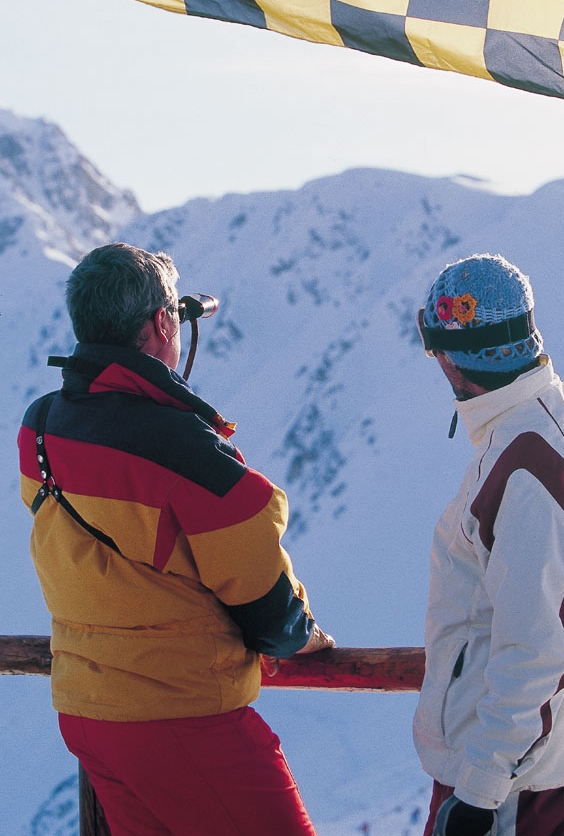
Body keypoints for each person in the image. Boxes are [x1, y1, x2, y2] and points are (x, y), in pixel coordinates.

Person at [18, 242, 334, 836]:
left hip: (87, 712)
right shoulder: (183, 449)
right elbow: (264, 600)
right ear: (163, 322)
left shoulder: (40, 427)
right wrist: (301, 632)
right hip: (178, 715)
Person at [413, 253, 564, 836]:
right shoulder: (561, 411)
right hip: (530, 763)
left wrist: (481, 792)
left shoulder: (529, 465)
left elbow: (535, 646)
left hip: (509, 783)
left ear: (450, 357)